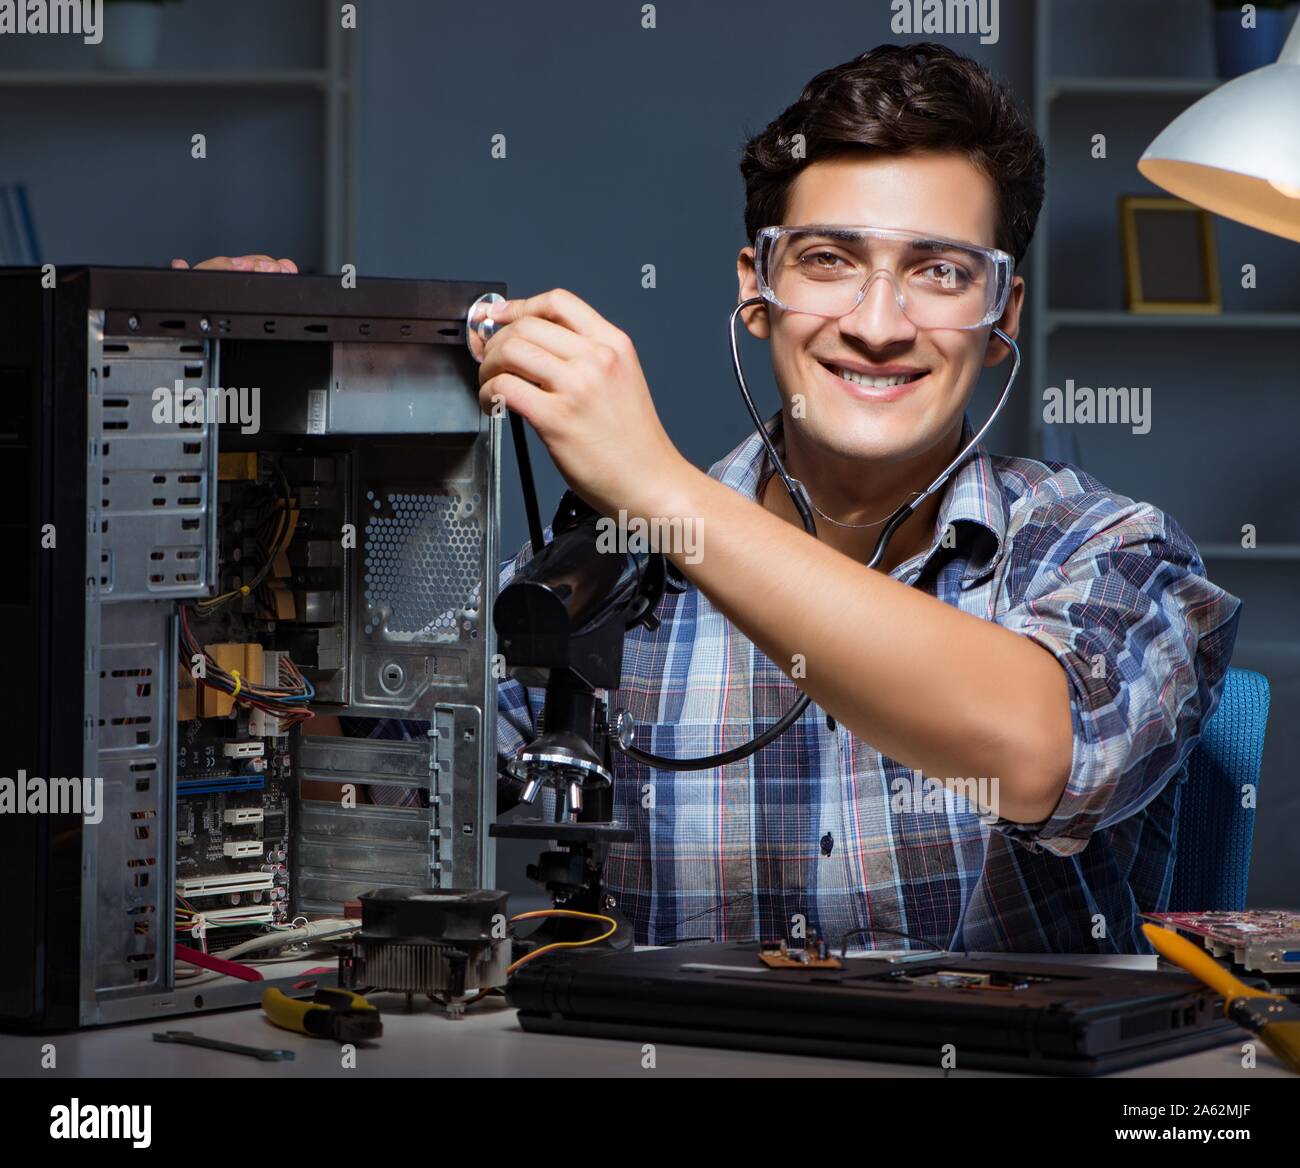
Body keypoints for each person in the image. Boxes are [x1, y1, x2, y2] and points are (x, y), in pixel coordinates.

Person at [180, 43, 1241, 954]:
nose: (878, 322)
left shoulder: (1106, 552)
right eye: (829, 260)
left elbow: (1038, 751)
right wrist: (252, 466)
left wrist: (658, 488)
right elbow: (361, 798)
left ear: (1002, 306)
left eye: (939, 272)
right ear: (754, 288)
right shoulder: (594, 579)